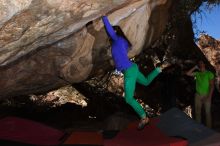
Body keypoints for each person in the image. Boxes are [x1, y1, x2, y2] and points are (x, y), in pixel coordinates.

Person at [102, 16, 161, 130]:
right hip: (132, 68)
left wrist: (104, 17)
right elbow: (123, 52)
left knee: (128, 99)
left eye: (111, 33)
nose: (109, 34)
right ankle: (158, 70)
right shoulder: (123, 42)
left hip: (129, 70)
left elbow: (109, 29)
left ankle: (144, 117)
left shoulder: (117, 39)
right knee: (146, 82)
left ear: (115, 31)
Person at [186, 60, 214, 128]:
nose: (200, 64)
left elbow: (212, 86)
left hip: (206, 95)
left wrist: (209, 96)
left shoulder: (209, 73)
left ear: (204, 64)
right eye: (199, 63)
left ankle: (209, 128)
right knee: (198, 112)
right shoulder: (197, 73)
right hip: (198, 95)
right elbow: (187, 73)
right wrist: (195, 67)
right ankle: (199, 128)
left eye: (201, 62)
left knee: (207, 113)